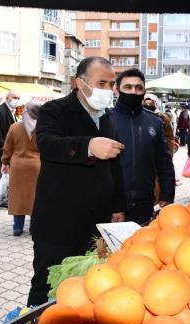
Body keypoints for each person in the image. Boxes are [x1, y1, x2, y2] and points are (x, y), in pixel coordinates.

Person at [27, 57, 127, 306]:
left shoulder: (108, 118)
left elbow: (115, 167)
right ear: (79, 83)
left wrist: (118, 206)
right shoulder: (55, 110)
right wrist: (88, 146)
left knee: (88, 288)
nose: (108, 90)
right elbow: (48, 144)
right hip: (58, 223)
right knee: (47, 287)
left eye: (111, 84)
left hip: (97, 224)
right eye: (101, 83)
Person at [112, 68, 175, 225]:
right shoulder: (105, 120)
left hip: (144, 202)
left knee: (142, 247)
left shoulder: (155, 121)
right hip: (112, 204)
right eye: (128, 87)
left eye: (138, 88)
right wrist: (114, 204)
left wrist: (167, 194)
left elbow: (164, 161)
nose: (133, 92)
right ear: (117, 90)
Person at [1, 101, 42, 236]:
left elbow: (7, 148)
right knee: (35, 197)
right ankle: (34, 228)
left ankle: (17, 228)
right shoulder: (43, 127)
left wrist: (5, 162)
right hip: (37, 166)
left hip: (18, 166)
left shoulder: (14, 127)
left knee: (18, 197)